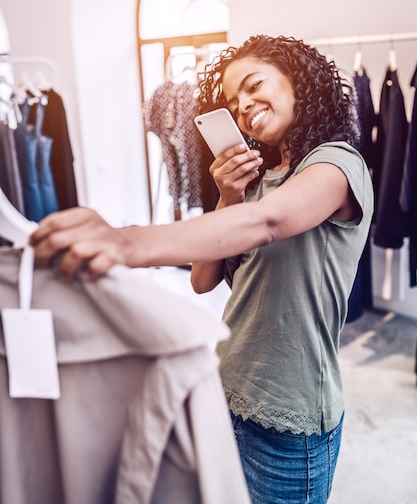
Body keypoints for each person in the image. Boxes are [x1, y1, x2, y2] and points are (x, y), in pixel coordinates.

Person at [31, 34, 374, 504]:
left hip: (289, 416)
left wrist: (124, 240)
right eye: (234, 104)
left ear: (298, 81)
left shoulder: (337, 163)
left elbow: (267, 222)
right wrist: (226, 196)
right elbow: (202, 280)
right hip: (225, 387)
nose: (245, 107)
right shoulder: (256, 179)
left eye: (254, 86)